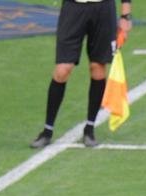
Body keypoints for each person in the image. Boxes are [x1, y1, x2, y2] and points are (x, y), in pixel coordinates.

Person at [30, 0, 133, 149]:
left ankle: (89, 129)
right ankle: (47, 130)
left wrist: (126, 14)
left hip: (103, 9)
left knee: (97, 67)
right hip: (73, 8)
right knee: (62, 69)